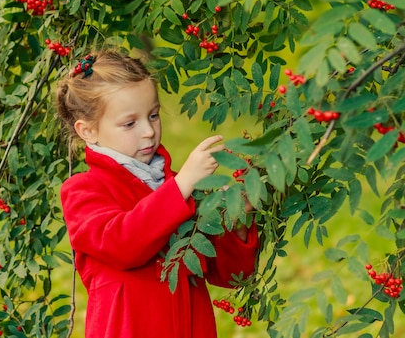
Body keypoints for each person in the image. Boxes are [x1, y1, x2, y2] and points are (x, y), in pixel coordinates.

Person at [56, 50, 259, 338]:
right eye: (130, 123)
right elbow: (123, 243)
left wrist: (237, 221)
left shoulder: (180, 186)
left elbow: (231, 273)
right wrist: (183, 185)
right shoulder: (84, 191)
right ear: (88, 131)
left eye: (153, 115)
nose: (149, 131)